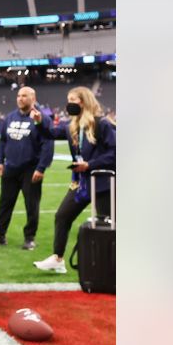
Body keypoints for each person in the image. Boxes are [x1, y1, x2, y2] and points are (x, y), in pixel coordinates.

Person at [32, 86, 116, 274]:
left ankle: (111, 265)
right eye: (68, 99)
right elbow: (51, 134)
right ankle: (58, 258)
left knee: (107, 224)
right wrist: (39, 122)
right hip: (81, 182)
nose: (69, 103)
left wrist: (91, 164)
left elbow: (115, 152)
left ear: (84, 101)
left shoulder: (102, 124)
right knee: (63, 216)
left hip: (102, 182)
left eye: (73, 99)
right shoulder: (73, 126)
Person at [0, 86, 54, 250]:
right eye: (19, 96)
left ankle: (30, 238)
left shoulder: (42, 119)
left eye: (25, 96)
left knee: (31, 205)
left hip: (30, 169)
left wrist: (41, 168)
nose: (20, 98)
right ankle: (0, 235)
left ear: (33, 98)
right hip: (10, 168)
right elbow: (3, 141)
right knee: (5, 203)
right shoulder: (10, 117)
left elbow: (48, 145)